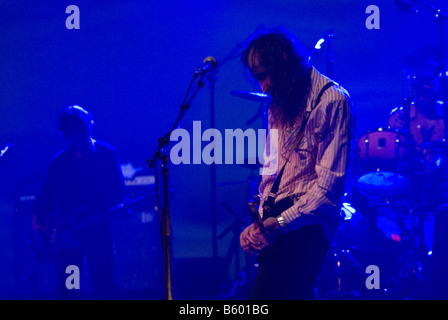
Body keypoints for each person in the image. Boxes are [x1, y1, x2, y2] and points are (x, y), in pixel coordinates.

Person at [239, 29, 354, 300]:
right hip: (278, 224)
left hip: (308, 226)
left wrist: (279, 222)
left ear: (285, 61)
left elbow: (328, 191)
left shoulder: (333, 101)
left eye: (266, 75)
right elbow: (271, 174)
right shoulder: (278, 103)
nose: (264, 86)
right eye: (258, 79)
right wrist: (259, 224)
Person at [31, 105, 128, 299]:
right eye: (75, 130)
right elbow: (44, 200)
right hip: (68, 235)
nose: (82, 134)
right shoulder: (59, 162)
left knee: (104, 284)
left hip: (99, 230)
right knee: (69, 287)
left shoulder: (107, 154)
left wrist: (122, 207)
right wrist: (44, 227)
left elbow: (119, 193)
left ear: (90, 125)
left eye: (84, 128)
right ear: (67, 133)